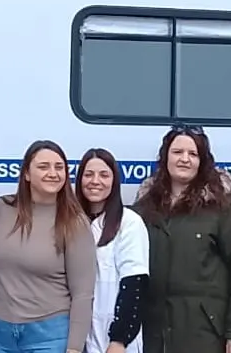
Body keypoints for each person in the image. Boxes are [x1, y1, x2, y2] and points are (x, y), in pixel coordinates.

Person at [135, 125, 231, 353]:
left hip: (207, 336)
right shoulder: (144, 208)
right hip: (153, 336)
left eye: (193, 154)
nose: (185, 159)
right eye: (177, 152)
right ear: (165, 158)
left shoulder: (224, 206)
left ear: (202, 161)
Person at [0, 140, 97, 353]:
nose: (53, 173)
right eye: (43, 167)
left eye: (59, 167)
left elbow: (83, 293)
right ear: (26, 173)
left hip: (49, 335)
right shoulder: (3, 208)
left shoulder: (74, 222)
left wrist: (73, 348)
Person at [75, 148, 149, 353]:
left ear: (114, 181)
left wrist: (119, 340)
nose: (95, 181)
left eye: (104, 175)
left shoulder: (129, 222)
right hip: (77, 337)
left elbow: (135, 284)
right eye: (88, 175)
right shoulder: (72, 222)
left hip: (113, 341)